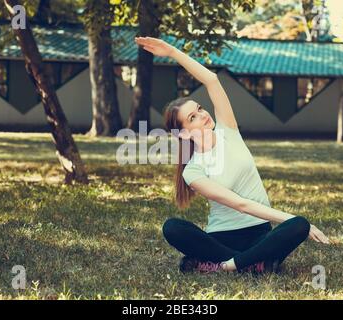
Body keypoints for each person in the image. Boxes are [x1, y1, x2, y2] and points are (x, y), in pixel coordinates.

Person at [134, 36, 330, 274]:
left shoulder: (228, 130)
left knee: (298, 225)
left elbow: (211, 80)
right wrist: (286, 217)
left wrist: (173, 52)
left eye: (200, 109)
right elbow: (240, 204)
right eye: (192, 118)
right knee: (172, 227)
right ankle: (249, 263)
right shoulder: (193, 170)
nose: (203, 115)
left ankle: (227, 265)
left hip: (259, 232)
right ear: (183, 134)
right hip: (220, 240)